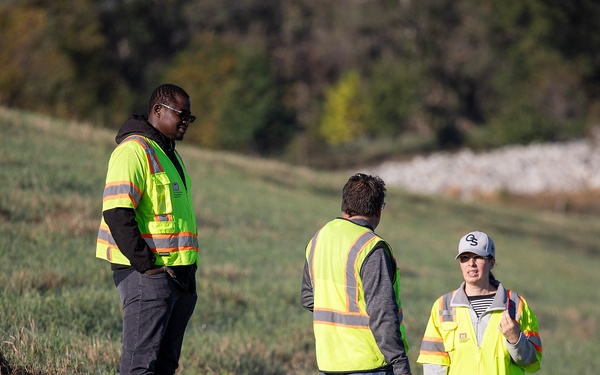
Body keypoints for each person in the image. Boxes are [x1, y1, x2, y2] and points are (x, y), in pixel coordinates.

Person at [96, 84, 199, 374]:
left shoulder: (170, 155)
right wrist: (146, 265)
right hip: (148, 276)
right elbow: (117, 212)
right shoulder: (133, 151)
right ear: (158, 110)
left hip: (180, 278)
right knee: (140, 367)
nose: (186, 122)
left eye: (190, 118)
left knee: (165, 366)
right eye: (182, 114)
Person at [301, 173, 412, 375]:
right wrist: (399, 363)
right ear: (378, 209)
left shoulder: (318, 239)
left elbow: (308, 299)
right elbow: (382, 312)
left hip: (329, 362)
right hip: (370, 363)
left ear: (344, 204)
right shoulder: (371, 247)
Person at [417, 231, 542, 375]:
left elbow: (532, 361)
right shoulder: (443, 306)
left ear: (491, 262)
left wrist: (516, 340)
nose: (471, 263)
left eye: (478, 257)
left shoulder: (515, 304)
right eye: (465, 258)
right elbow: (433, 365)